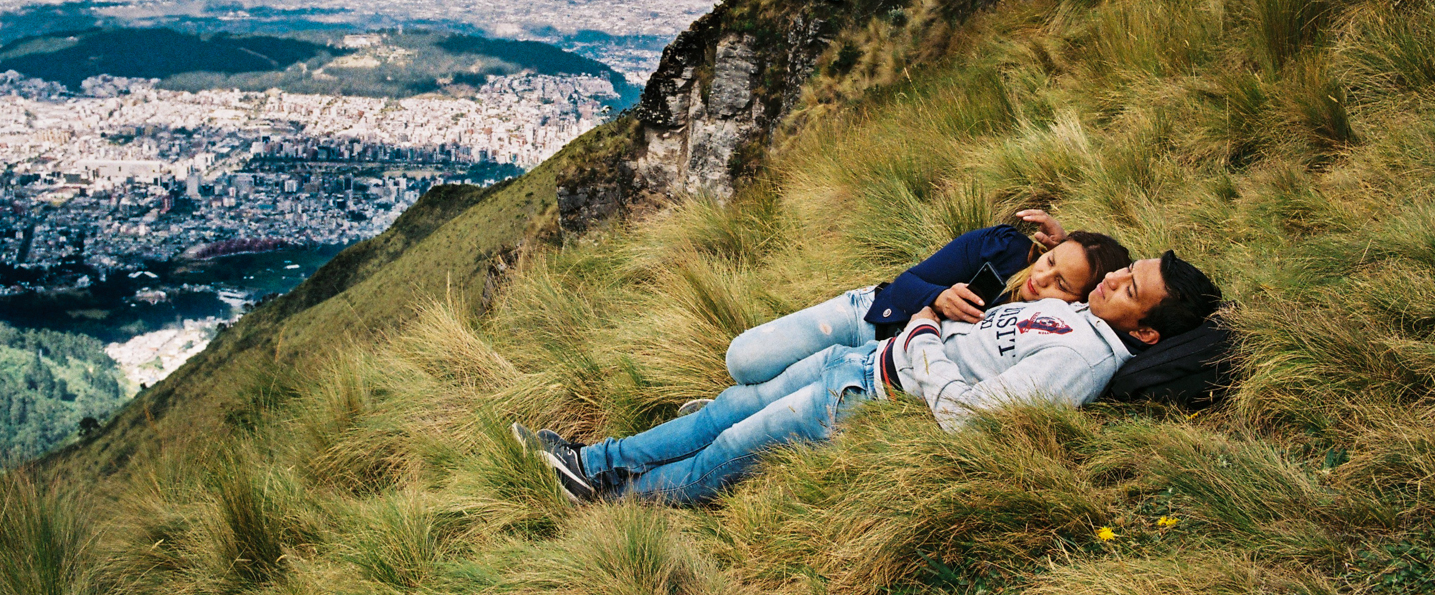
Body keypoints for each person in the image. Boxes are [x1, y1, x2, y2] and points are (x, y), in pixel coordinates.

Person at [514, 250, 1221, 506]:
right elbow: (1049, 284)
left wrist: (920, 337)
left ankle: (614, 508)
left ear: (1148, 332)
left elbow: (971, 418)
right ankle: (591, 462)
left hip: (864, 396)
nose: (1115, 283)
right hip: (860, 365)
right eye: (1125, 272)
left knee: (724, 455)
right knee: (722, 411)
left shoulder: (1085, 359)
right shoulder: (1078, 319)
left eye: (1131, 290)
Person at [723, 209, 1105, 388]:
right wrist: (938, 298)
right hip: (875, 316)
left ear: (1079, 303)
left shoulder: (1055, 330)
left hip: (891, 366)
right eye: (1050, 262)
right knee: (744, 360)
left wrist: (1075, 260)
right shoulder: (1004, 248)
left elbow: (1135, 298)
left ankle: (729, 413)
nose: (1042, 278)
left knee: (788, 388)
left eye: (1062, 283)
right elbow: (907, 282)